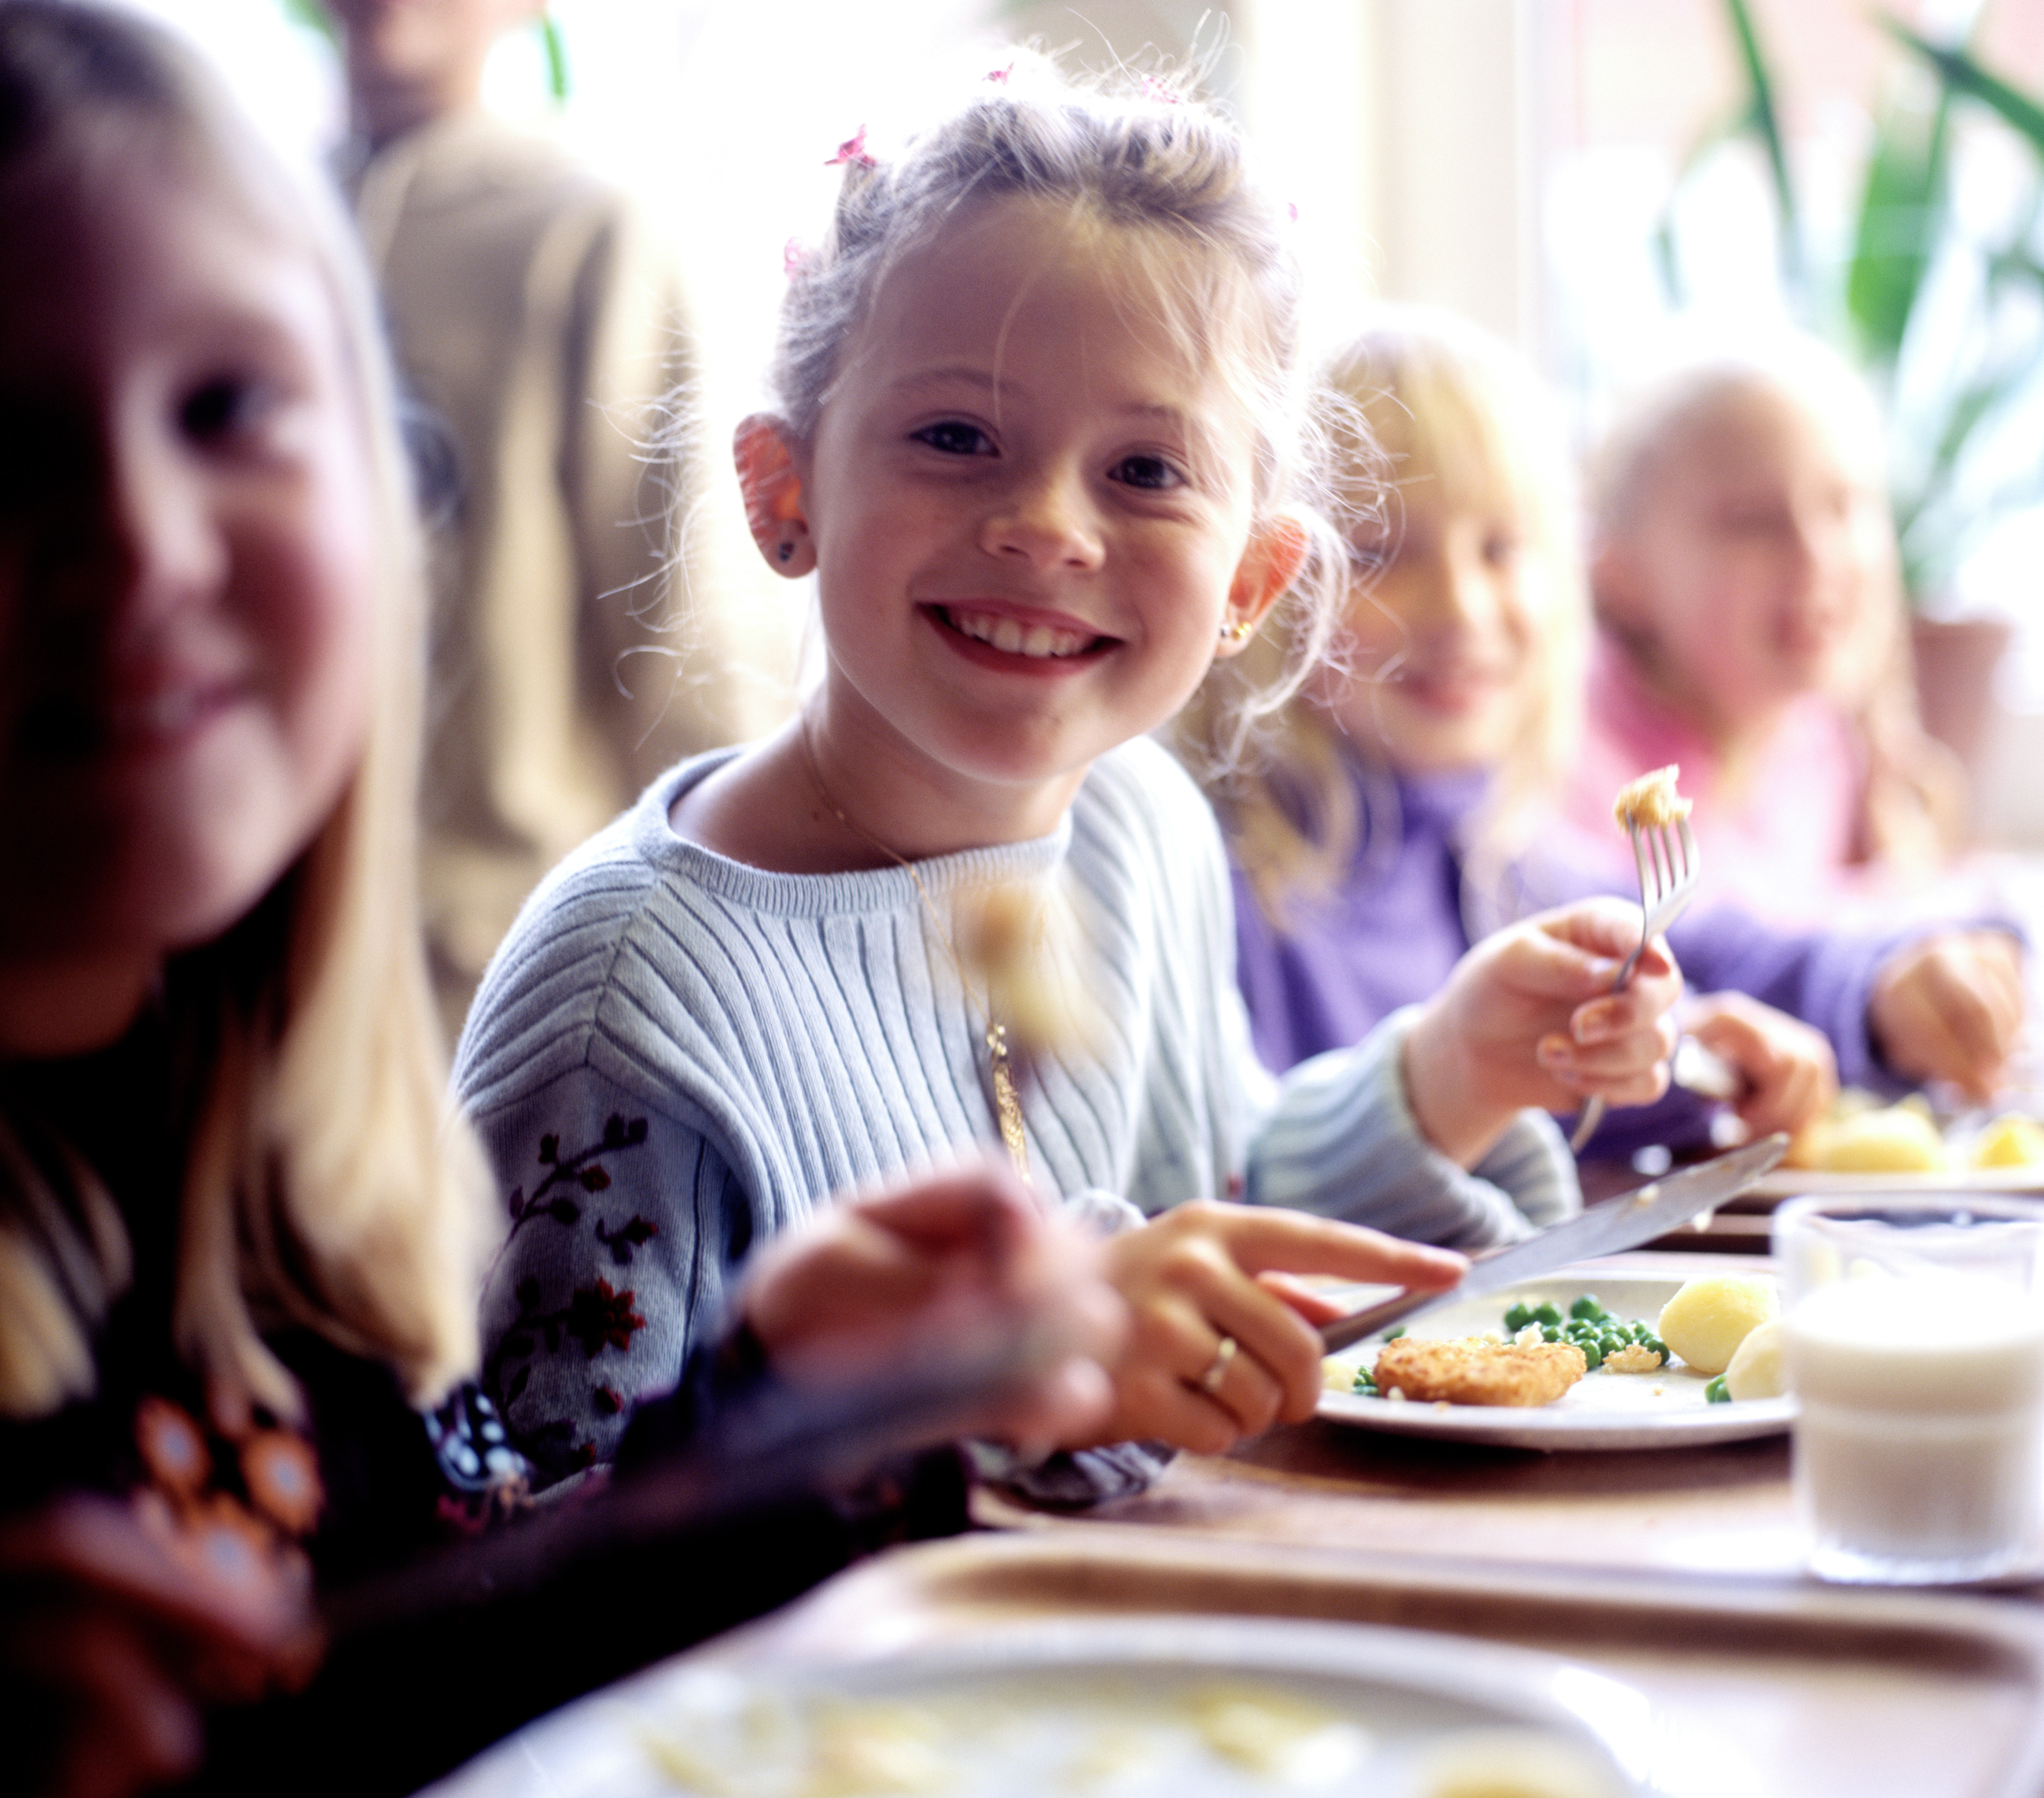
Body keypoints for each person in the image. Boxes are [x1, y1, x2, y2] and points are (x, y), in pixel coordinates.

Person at [0, 11, 1119, 1794]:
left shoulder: (284, 1235)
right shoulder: (624, 990)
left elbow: (440, 1662)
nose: (140, 538)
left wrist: (771, 1411)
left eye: (226, 408)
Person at [455, 61, 1679, 1498]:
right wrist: (985, 1395)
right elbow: (545, 1559)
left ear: (1251, 578)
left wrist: (1447, 1075)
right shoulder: (633, 999)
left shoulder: (1137, 828)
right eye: (957, 438)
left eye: (1147, 471)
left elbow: (1212, 1202)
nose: (1044, 525)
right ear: (786, 494)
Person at [1195, 308, 2023, 1161]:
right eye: (1378, 554)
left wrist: (1877, 989)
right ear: (1264, 581)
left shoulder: (1495, 854)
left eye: (1500, 549)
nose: (1461, 609)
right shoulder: (1217, 885)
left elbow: (1716, 946)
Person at [321, 0, 795, 1037]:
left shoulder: (592, 231)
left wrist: (746, 952)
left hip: (507, 974)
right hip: (264, 980)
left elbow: (681, 621)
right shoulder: (250, 220)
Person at [1569, 333, 1964, 925]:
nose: (1816, 555)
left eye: (1843, 505)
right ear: (1622, 575)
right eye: (1751, 522)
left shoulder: (1814, 738)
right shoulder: (1577, 767)